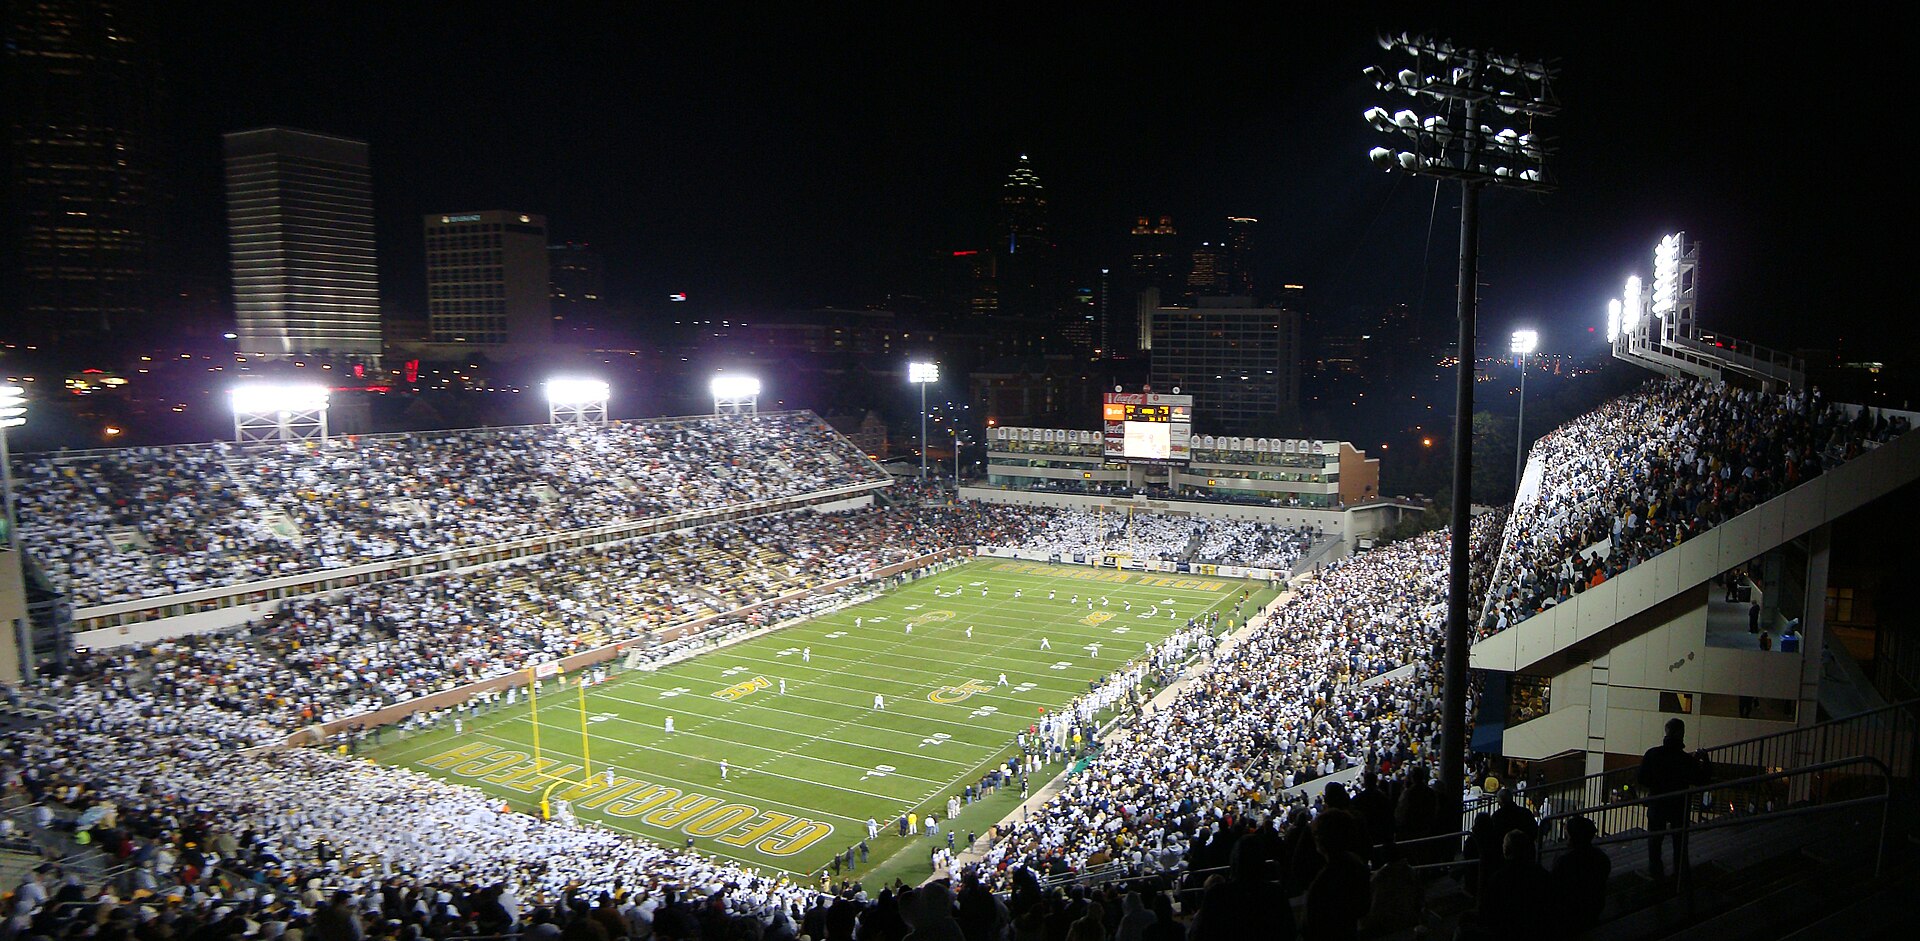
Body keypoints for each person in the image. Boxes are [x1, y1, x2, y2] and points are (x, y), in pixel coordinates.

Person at [1638, 717, 1711, 881]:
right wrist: (1704, 760)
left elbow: (1642, 778)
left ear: (1667, 732)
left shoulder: (1652, 754)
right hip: (1679, 803)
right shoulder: (1685, 760)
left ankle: (1656, 874)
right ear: (1681, 734)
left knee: (1655, 841)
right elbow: (1702, 780)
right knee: (1680, 841)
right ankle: (1680, 874)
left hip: (1658, 801)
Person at [1551, 817, 1611, 932]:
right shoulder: (1601, 858)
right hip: (1594, 909)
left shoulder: (1563, 860)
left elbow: (1555, 887)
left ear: (1571, 836)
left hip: (1569, 913)